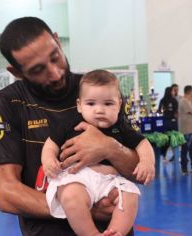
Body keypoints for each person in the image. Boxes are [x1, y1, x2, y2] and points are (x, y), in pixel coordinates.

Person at [0, 17, 154, 236]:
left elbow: (138, 172)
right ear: (16, 72)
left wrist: (109, 147)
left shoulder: (98, 92)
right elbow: (6, 194)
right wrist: (82, 206)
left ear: (57, 41)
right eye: (38, 70)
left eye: (55, 57)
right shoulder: (7, 104)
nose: (55, 73)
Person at [42, 70, 154, 236]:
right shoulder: (70, 124)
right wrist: (48, 160)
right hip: (77, 177)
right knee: (71, 196)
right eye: (91, 104)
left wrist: (147, 162)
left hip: (111, 180)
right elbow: (51, 144)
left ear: (119, 104)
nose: (99, 110)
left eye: (108, 104)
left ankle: (116, 232)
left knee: (130, 195)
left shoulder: (120, 127)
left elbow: (143, 143)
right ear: (79, 105)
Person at [158, 86, 178, 162]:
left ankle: (169, 156)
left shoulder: (170, 100)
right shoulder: (166, 100)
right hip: (169, 123)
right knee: (169, 140)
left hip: (167, 122)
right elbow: (176, 112)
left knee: (170, 140)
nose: (174, 92)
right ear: (170, 92)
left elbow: (159, 111)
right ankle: (167, 156)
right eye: (173, 91)